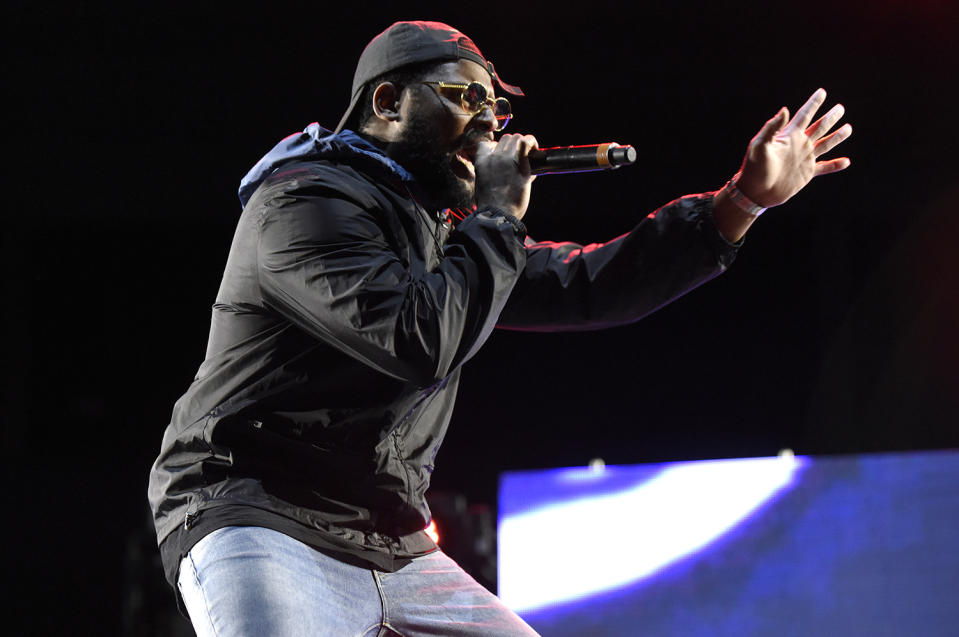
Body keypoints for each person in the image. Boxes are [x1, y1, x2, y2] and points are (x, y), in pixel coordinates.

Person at [148, 20, 851, 637]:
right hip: (256, 512)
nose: (491, 124)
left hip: (388, 533)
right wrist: (496, 219)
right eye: (466, 99)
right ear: (387, 102)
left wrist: (740, 202)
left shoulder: (441, 232)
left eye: (498, 108)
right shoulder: (303, 203)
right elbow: (414, 338)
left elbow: (588, 285)